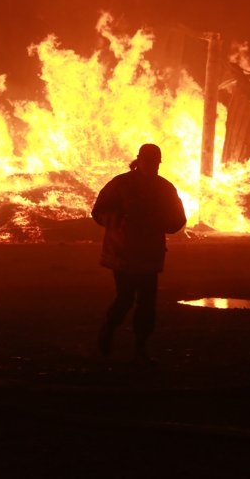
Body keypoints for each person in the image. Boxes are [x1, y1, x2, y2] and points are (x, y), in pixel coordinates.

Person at [92, 143, 186, 361]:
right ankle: (108, 331)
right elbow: (98, 211)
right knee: (125, 298)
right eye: (148, 162)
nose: (152, 166)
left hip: (148, 255)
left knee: (147, 302)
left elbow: (177, 220)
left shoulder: (165, 188)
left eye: (155, 163)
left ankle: (140, 347)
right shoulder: (121, 184)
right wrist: (119, 221)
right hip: (122, 253)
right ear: (138, 161)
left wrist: (158, 223)